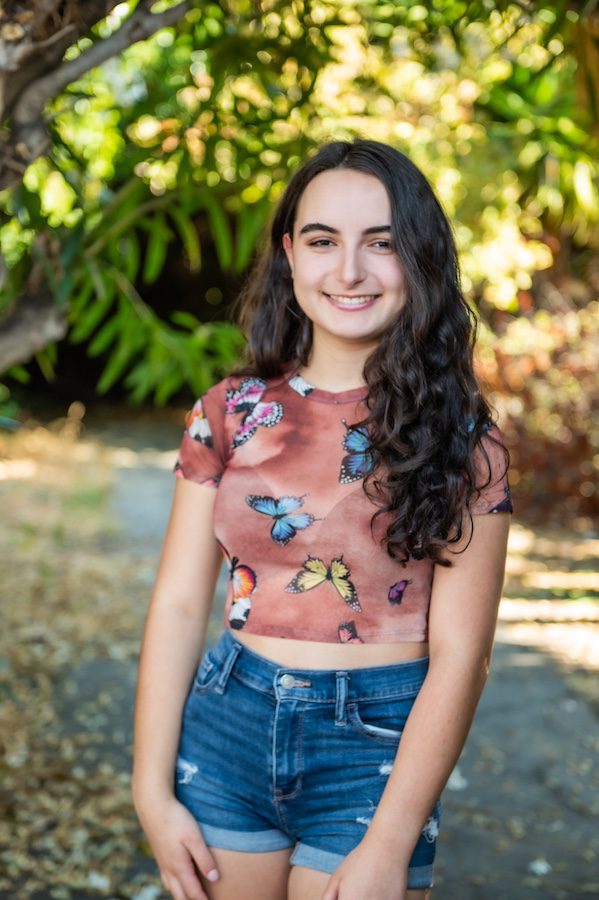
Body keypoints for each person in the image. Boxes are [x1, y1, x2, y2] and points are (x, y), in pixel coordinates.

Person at [132, 139, 513, 900]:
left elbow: (461, 657)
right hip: (227, 726)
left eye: (381, 243)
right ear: (288, 254)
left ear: (420, 257)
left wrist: (392, 840)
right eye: (321, 241)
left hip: (376, 751)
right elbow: (177, 604)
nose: (348, 270)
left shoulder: (465, 441)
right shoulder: (228, 411)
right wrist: (150, 790)